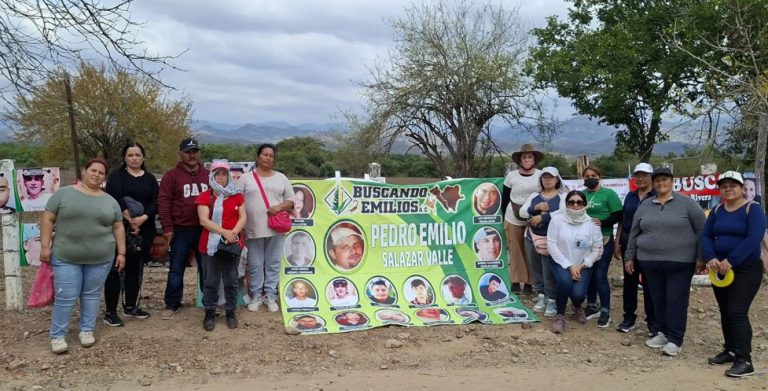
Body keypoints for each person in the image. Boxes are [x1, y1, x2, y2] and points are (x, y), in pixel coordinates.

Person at [40, 159, 125, 354]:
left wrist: (121, 252)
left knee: (91, 294)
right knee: (65, 296)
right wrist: (45, 246)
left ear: (104, 177)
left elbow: (118, 226)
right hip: (66, 256)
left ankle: (87, 330)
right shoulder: (63, 194)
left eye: (101, 172)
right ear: (84, 171)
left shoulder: (110, 201)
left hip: (101, 257)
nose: (96, 175)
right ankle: (57, 335)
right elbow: (48, 218)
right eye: (93, 170)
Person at [625, 167, 706, 357]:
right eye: (658, 180)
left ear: (672, 182)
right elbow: (634, 232)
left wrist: (701, 257)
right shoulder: (645, 205)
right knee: (657, 298)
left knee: (676, 300)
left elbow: (702, 230)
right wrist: (629, 256)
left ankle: (675, 339)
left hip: (681, 262)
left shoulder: (687, 203)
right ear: (653, 183)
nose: (661, 183)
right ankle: (662, 332)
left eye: (665, 180)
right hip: (650, 261)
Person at [701, 171, 766, 377]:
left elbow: (753, 238)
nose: (728, 189)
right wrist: (711, 257)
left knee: (737, 311)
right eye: (724, 186)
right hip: (719, 268)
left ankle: (745, 360)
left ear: (741, 188)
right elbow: (706, 235)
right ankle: (730, 350)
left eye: (733, 185)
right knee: (725, 310)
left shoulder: (753, 209)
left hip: (746, 268)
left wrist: (731, 260)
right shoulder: (717, 210)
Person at [102, 142, 159, 326]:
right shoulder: (117, 176)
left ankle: (131, 305)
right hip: (119, 227)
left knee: (135, 268)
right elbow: (115, 198)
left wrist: (143, 218)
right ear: (124, 158)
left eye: (138, 155)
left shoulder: (150, 178)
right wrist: (130, 219)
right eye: (130, 155)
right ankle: (110, 311)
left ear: (143, 157)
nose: (134, 158)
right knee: (116, 268)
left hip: (144, 229)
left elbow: (155, 201)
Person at [158, 138, 210, 320]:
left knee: (206, 268)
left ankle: (209, 302)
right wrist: (167, 227)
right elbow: (163, 202)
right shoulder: (171, 176)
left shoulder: (208, 175)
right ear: (181, 154)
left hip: (204, 229)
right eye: (188, 152)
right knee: (176, 268)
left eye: (195, 151)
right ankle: (172, 303)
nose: (192, 155)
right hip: (180, 230)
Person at [241, 144, 295, 312]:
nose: (268, 158)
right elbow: (236, 201)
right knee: (255, 263)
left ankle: (270, 294)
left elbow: (291, 201)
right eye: (265, 154)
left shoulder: (281, 178)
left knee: (273, 262)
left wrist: (278, 207)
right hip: (252, 228)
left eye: (271, 155)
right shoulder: (245, 178)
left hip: (276, 228)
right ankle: (256, 294)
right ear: (258, 157)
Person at [195, 160, 246, 331]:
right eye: (217, 174)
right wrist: (224, 232)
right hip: (210, 245)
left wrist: (234, 233)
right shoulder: (206, 196)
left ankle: (230, 311)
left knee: (231, 279)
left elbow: (243, 217)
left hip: (232, 243)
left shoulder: (237, 195)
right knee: (211, 280)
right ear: (212, 176)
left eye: (224, 174)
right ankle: (210, 312)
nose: (221, 177)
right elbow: (203, 220)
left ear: (229, 176)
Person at [546, 190, 603, 334]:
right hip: (560, 262)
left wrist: (582, 265)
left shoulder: (592, 224)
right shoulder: (557, 220)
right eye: (571, 202)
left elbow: (597, 249)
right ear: (566, 204)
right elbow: (551, 244)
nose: (575, 205)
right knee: (565, 281)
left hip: (583, 265)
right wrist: (569, 266)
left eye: (579, 202)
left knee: (578, 294)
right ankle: (560, 315)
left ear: (585, 204)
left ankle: (577, 305)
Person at [614, 163, 656, 334]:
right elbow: (623, 220)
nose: (641, 178)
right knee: (629, 282)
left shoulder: (657, 195)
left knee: (650, 283)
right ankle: (629, 318)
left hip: (649, 245)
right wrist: (617, 242)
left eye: (644, 175)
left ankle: (652, 321)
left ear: (651, 177)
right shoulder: (630, 196)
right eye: (637, 175)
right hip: (628, 243)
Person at [520, 166, 566, 317]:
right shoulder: (535, 196)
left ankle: (552, 298)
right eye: (545, 177)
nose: (547, 180)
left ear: (557, 179)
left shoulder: (563, 196)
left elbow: (564, 212)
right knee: (536, 267)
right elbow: (522, 212)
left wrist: (543, 217)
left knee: (548, 269)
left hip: (551, 238)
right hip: (532, 236)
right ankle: (541, 295)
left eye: (551, 177)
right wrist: (535, 208)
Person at [581, 165, 622, 328]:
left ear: (600, 177)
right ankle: (592, 306)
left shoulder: (609, 194)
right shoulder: (582, 194)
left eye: (593, 175)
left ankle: (605, 310)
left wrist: (602, 222)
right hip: (586, 241)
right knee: (589, 273)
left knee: (600, 275)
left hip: (604, 238)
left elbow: (618, 215)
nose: (590, 178)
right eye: (587, 176)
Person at [501, 144, 542, 294]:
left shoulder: (541, 175)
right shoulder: (511, 176)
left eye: (530, 157)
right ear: (520, 160)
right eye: (524, 157)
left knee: (531, 250)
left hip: (534, 217)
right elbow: (505, 198)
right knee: (515, 249)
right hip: (513, 216)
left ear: (534, 159)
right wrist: (503, 218)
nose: (527, 160)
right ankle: (516, 281)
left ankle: (530, 282)